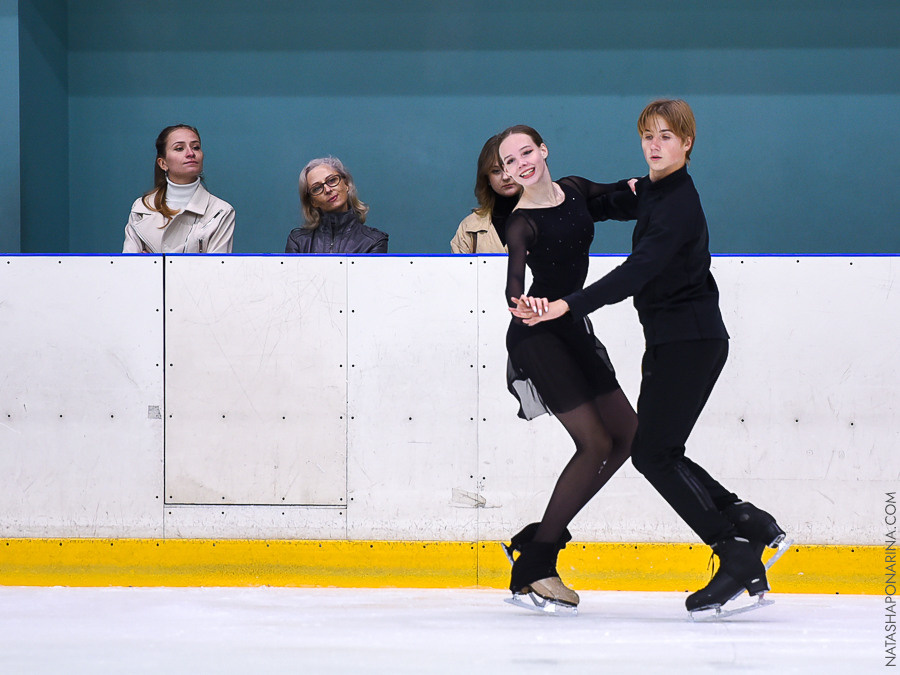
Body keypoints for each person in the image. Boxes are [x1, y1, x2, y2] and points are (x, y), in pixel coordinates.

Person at [512, 100, 786, 615]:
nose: (655, 145)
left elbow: (637, 271)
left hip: (688, 341)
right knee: (659, 449)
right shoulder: (657, 191)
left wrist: (567, 304)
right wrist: (564, 198)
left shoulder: (678, 203)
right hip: (675, 339)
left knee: (653, 454)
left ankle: (736, 553)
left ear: (687, 143)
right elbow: (603, 202)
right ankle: (748, 524)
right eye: (647, 136)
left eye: (666, 136)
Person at [498, 125, 638, 612]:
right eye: (510, 161)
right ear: (508, 173)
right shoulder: (520, 222)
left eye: (526, 152)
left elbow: (617, 195)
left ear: (543, 150)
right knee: (596, 443)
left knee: (629, 435)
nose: (520, 163)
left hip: (573, 325)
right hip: (539, 336)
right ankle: (538, 562)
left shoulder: (574, 188)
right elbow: (513, 285)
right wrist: (524, 302)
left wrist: (647, 187)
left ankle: (538, 540)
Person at [123, 124, 235, 253]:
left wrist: (154, 263)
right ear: (163, 163)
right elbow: (130, 268)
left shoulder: (220, 211)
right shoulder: (141, 208)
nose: (190, 153)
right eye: (179, 148)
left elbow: (216, 270)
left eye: (196, 147)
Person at [286, 157, 388, 254]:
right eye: (317, 188)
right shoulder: (298, 241)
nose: (328, 190)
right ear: (313, 202)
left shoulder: (373, 241)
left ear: (346, 184)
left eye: (332, 180)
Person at [450, 135, 520, 253]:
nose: (505, 177)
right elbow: (457, 271)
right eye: (496, 171)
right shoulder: (469, 228)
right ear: (487, 178)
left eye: (510, 166)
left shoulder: (546, 218)